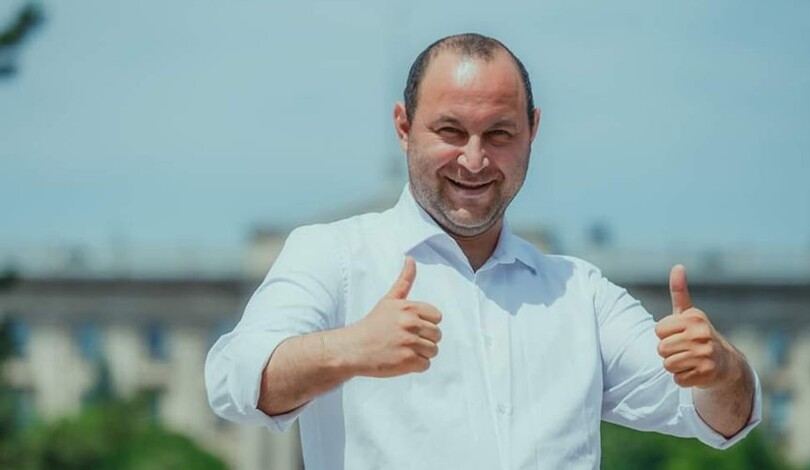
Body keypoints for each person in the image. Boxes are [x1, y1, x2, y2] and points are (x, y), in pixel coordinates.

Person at [205, 33, 761, 470]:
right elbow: (232, 381)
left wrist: (722, 369)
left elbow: (721, 417)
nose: (473, 161)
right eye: (450, 131)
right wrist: (350, 348)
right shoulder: (336, 256)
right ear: (404, 127)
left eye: (499, 134)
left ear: (533, 130)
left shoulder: (580, 294)